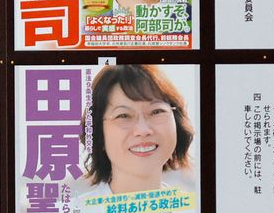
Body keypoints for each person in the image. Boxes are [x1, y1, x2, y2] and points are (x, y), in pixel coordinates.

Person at [78, 63, 195, 201]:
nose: (143, 130)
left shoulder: (201, 211)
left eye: (156, 111)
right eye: (123, 116)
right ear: (98, 133)